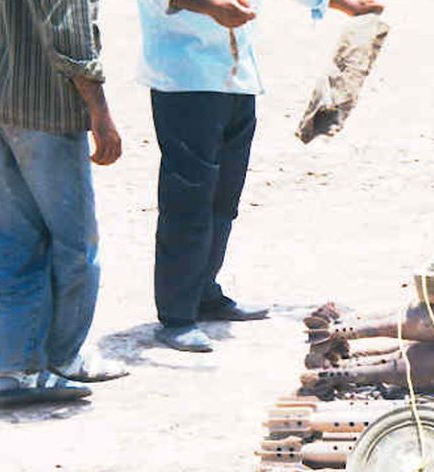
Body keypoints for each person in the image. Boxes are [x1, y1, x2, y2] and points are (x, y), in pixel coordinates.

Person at [138, 0, 383, 352]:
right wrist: (212, 8)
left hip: (237, 78)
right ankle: (177, 316)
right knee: (189, 201)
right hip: (184, 78)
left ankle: (205, 292)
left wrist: (339, 4)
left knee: (224, 198)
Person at [0, 0, 128, 408]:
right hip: (45, 109)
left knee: (13, 243)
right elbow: (72, 36)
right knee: (76, 245)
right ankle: (63, 360)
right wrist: (100, 113)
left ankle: (14, 370)